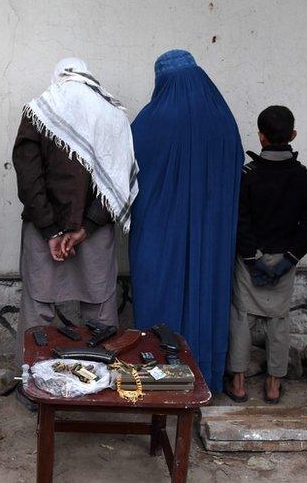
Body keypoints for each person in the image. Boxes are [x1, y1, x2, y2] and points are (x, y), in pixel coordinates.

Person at [12, 57, 137, 407]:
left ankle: (33, 389)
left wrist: (51, 228)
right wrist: (87, 226)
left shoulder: (39, 111)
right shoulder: (111, 114)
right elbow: (119, 177)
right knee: (100, 310)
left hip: (42, 231)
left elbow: (29, 176)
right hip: (94, 234)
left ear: (59, 77)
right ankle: (102, 387)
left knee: (38, 309)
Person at [129, 49, 244, 391]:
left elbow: (126, 172)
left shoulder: (151, 121)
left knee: (158, 296)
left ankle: (159, 377)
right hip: (211, 234)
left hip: (158, 235)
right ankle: (203, 377)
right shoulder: (224, 120)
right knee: (206, 294)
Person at [224, 105, 307, 404]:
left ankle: (238, 383)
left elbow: (238, 220)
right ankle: (273, 386)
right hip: (284, 259)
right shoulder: (305, 177)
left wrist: (252, 260)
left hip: (249, 258)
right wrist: (287, 260)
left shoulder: (246, 175)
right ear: (292, 135)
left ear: (261, 137)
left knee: (241, 317)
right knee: (279, 320)